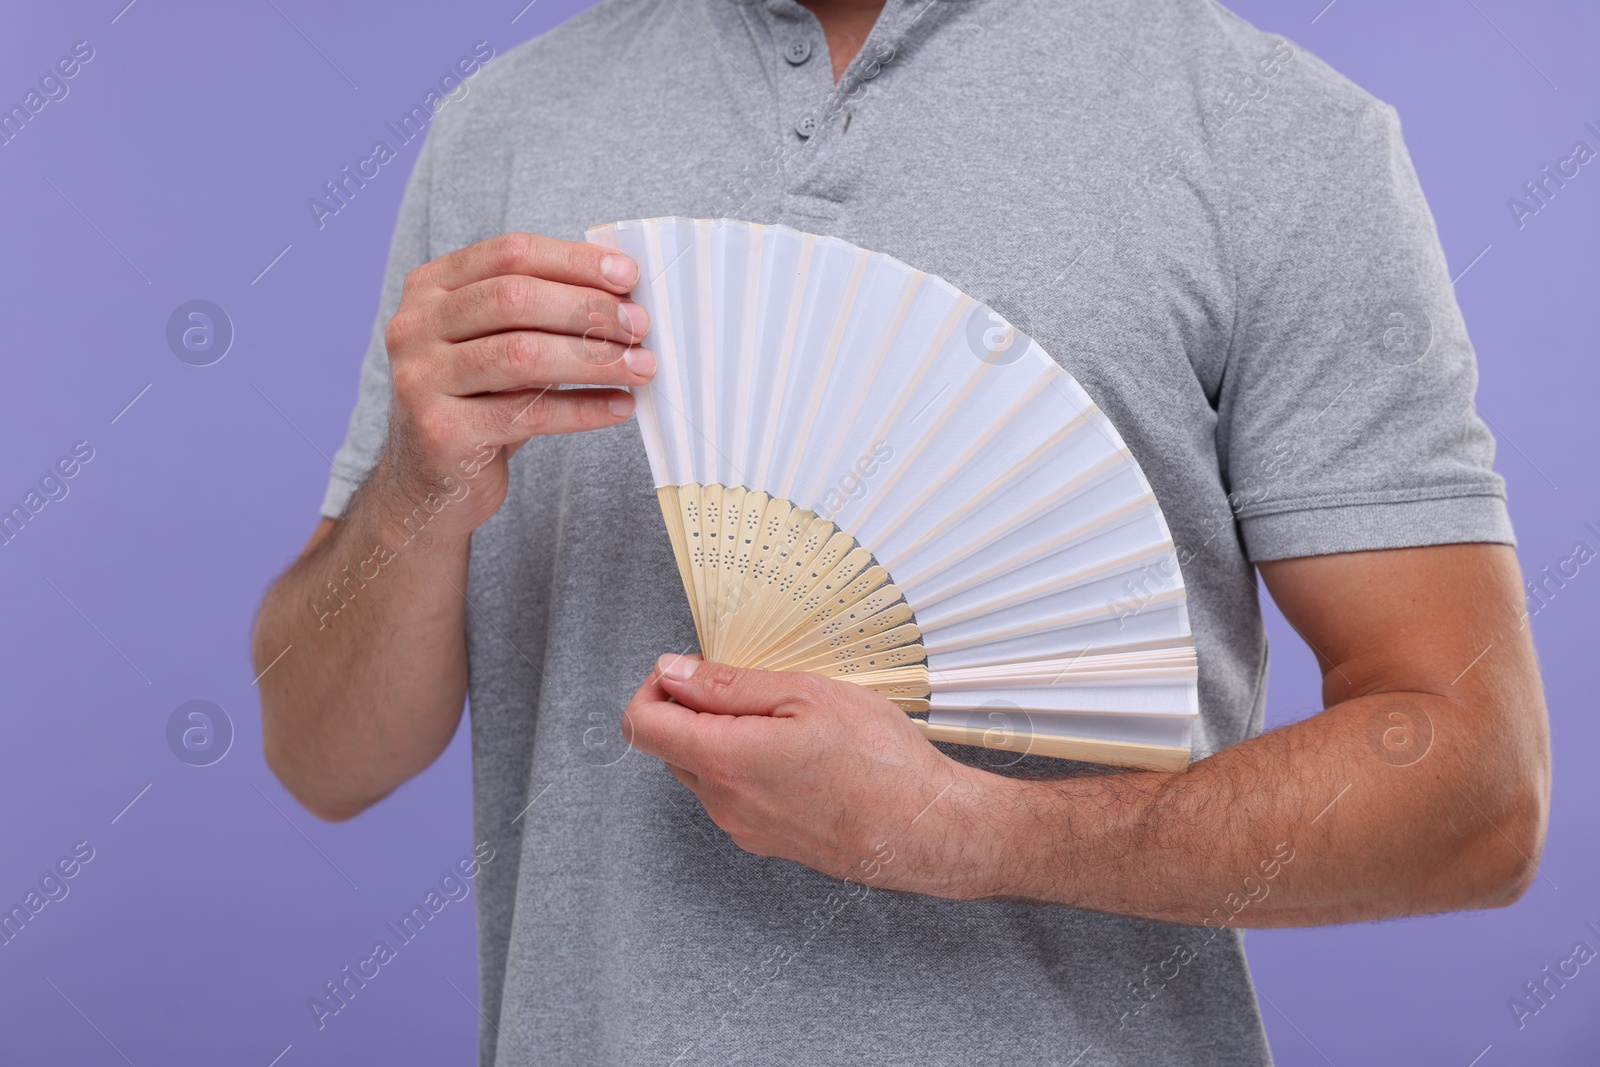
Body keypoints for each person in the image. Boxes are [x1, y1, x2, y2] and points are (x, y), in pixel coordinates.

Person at [252, 0, 1551, 1063]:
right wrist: (414, 495)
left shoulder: (1275, 139)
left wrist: (968, 832)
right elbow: (324, 754)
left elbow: (1476, 790)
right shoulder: (502, 132)